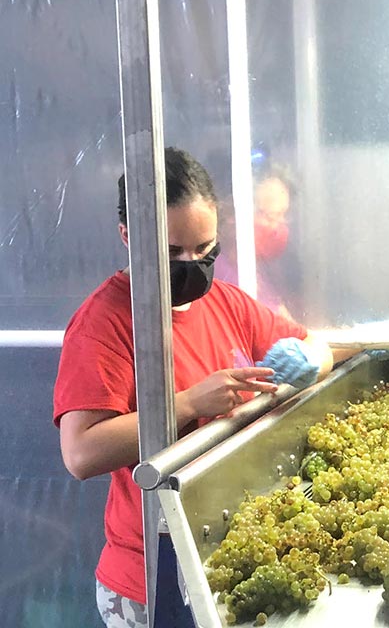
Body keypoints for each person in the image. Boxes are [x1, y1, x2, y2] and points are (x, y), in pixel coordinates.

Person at [53, 148, 336, 627]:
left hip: (225, 546)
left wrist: (312, 358)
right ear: (129, 238)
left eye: (205, 249)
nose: (193, 263)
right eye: (173, 252)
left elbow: (317, 344)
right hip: (152, 572)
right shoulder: (106, 323)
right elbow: (80, 453)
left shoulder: (225, 301)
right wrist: (186, 403)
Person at [216, 163, 299, 322]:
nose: (278, 227)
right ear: (232, 214)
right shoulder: (218, 278)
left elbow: (290, 328)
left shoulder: (262, 271)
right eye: (269, 216)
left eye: (283, 215)